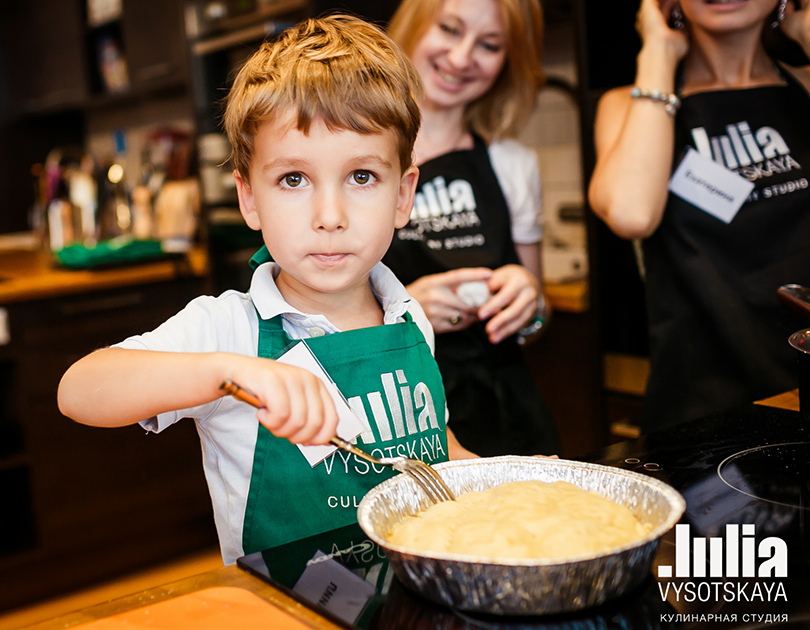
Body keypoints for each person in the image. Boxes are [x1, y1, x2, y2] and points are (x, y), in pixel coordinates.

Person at [57, 14, 476, 566]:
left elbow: (432, 449)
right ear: (249, 198)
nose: (330, 216)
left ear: (403, 196)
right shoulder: (230, 329)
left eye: (362, 177)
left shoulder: (409, 318)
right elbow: (79, 390)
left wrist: (499, 479)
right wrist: (227, 373)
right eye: (293, 180)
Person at [588, 0, 810, 431]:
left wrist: (805, 33)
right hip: (698, 416)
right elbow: (631, 214)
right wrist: (657, 51)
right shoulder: (630, 105)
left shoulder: (805, 82)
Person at [381, 0, 561, 457]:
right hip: (398, 414)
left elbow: (537, 322)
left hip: (508, 417)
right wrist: (406, 309)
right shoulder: (357, 158)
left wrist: (529, 301)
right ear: (414, 25)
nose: (461, 58)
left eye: (489, 44)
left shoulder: (512, 163)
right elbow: (314, 319)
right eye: (449, 29)